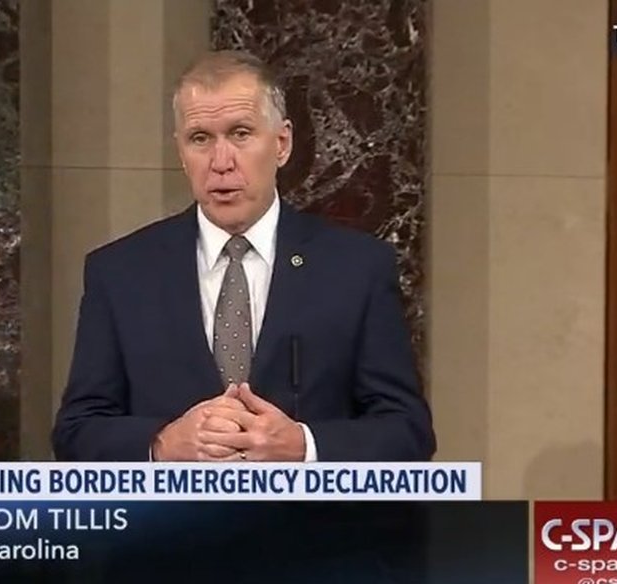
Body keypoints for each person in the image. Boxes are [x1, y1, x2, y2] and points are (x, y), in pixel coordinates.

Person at [51, 50, 435, 462]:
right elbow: (77, 431)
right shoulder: (120, 273)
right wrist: (161, 444)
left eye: (240, 134)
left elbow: (407, 431)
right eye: (201, 139)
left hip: (313, 524)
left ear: (282, 144)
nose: (221, 163)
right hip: (169, 525)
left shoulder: (356, 269)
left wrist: (304, 446)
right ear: (181, 152)